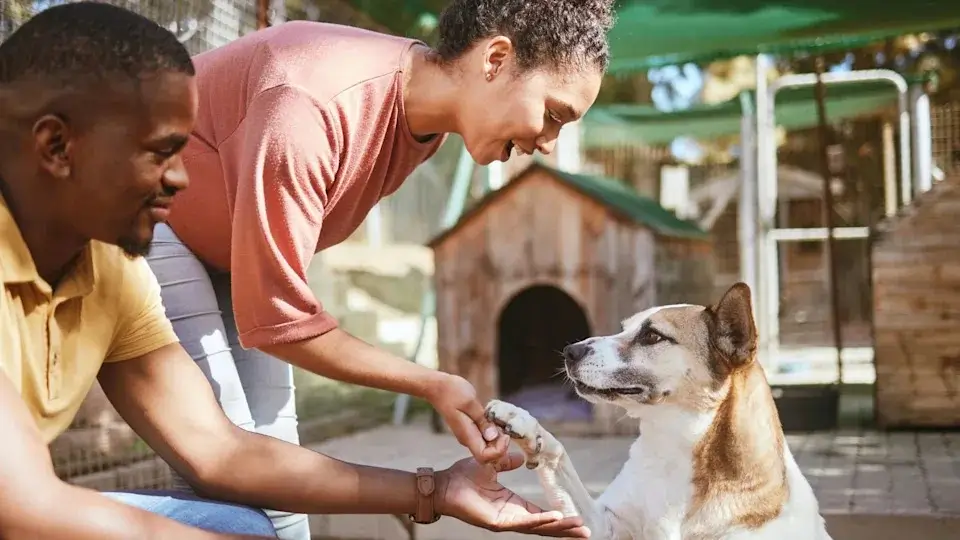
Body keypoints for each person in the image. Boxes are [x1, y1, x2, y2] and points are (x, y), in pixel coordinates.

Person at [0, 3, 589, 539]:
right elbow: (276, 317)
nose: (183, 178)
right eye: (160, 153)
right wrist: (426, 383)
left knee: (253, 495)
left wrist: (432, 491)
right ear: (496, 57)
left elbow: (222, 453)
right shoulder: (310, 101)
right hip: (175, 244)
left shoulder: (420, 131)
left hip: (218, 258)